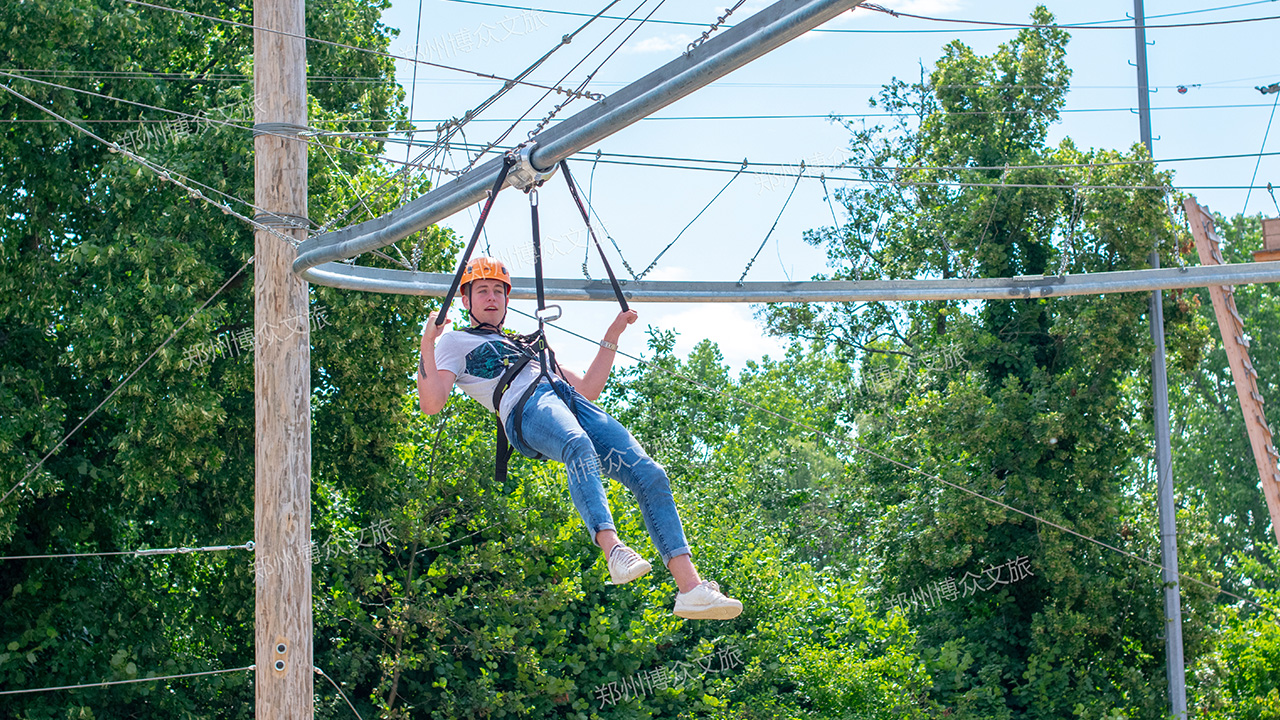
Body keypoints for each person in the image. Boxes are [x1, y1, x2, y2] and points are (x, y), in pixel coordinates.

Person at [417, 256, 742, 620]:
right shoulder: (455, 343)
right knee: (578, 444)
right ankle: (612, 549)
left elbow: (587, 388)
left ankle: (691, 590)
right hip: (524, 409)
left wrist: (612, 336)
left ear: (507, 300)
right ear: (466, 300)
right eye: (482, 291)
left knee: (650, 474)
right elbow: (432, 403)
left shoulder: (527, 344)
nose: (491, 298)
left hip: (565, 399)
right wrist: (428, 344)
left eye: (498, 291)